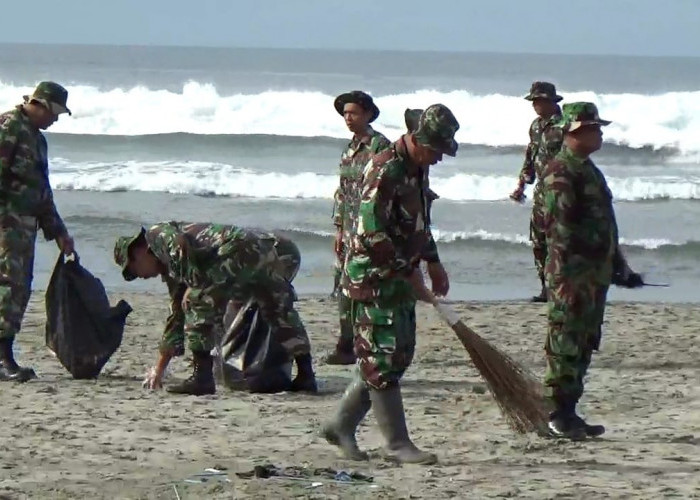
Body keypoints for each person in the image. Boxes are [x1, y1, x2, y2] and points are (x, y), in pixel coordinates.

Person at [322, 104, 458, 465]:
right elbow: (369, 234)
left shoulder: (417, 169)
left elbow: (418, 223)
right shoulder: (385, 169)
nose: (438, 158)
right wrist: (407, 270)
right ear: (416, 139)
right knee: (381, 357)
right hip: (373, 279)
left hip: (398, 277)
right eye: (435, 150)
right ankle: (396, 444)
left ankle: (340, 424)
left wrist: (433, 261)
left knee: (397, 354)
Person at [113, 222, 317, 395]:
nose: (140, 277)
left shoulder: (156, 235)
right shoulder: (171, 267)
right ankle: (306, 376)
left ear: (137, 252)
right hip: (260, 250)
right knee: (277, 308)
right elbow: (175, 316)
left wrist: (193, 285)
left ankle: (202, 378)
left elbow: (180, 244)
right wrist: (159, 369)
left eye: (133, 270)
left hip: (236, 249)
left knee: (196, 300)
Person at [541, 102, 644, 440]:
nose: (599, 133)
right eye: (592, 128)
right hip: (571, 277)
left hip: (593, 276)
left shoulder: (588, 169)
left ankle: (570, 412)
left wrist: (619, 265)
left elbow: (604, 225)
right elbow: (561, 231)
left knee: (584, 342)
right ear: (573, 131)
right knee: (565, 343)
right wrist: (586, 265)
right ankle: (555, 414)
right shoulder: (561, 170)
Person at [0, 82, 76, 381]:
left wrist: (59, 232)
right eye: (55, 112)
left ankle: (6, 354)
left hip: (24, 227)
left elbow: (42, 191)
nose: (55, 119)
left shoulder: (37, 140)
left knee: (18, 287)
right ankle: (3, 360)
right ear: (40, 104)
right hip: (5, 223)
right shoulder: (8, 127)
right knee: (7, 286)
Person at [327, 91, 391, 365]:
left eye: (353, 113)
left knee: (366, 288)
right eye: (345, 114)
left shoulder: (379, 146)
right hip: (350, 229)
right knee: (342, 285)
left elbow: (385, 191)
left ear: (367, 114)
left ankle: (364, 344)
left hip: (370, 230)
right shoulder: (349, 149)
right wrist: (339, 228)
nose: (348, 118)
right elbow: (342, 191)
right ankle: (345, 343)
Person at [510, 82, 564, 302]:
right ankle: (546, 289)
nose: (535, 105)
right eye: (533, 101)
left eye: (539, 101)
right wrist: (522, 183)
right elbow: (531, 155)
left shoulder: (564, 125)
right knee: (539, 242)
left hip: (561, 194)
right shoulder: (535, 126)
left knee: (559, 243)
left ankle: (561, 289)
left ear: (551, 101)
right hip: (541, 193)